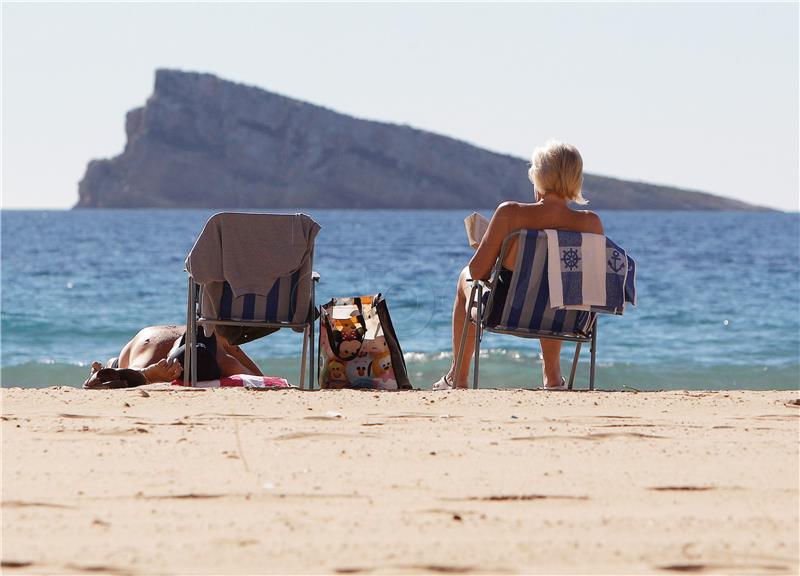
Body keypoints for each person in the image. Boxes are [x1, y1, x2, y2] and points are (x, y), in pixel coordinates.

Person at [432, 140, 604, 391]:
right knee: (555, 287)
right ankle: (553, 378)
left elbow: (479, 272)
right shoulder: (591, 224)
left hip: (505, 311)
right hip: (567, 318)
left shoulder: (511, 213)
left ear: (538, 177)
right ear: (576, 179)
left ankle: (457, 378)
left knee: (465, 276)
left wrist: (490, 250)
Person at [83, 325, 262, 389]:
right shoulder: (223, 360)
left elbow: (237, 352)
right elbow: (255, 378)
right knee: (139, 370)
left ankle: (109, 368)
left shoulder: (213, 334)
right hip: (152, 342)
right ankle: (138, 372)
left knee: (129, 366)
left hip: (152, 336)